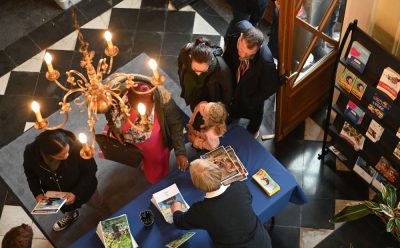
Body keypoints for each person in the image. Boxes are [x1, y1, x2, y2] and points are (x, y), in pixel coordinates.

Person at [172, 159, 272, 247]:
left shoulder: (200, 211)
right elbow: (249, 199)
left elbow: (180, 222)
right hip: (262, 241)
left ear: (197, 187)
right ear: (219, 172)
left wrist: (176, 209)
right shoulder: (239, 186)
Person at [105, 82, 189, 184]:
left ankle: (158, 181)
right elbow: (107, 110)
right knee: (135, 156)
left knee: (156, 167)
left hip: (155, 145)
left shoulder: (164, 101)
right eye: (134, 107)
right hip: (129, 141)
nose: (140, 113)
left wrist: (180, 152)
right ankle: (141, 160)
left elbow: (176, 125)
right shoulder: (118, 96)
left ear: (152, 99)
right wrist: (114, 127)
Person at [23, 129, 99, 231]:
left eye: (67, 151)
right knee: (68, 209)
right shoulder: (30, 153)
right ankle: (71, 215)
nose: (67, 156)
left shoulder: (78, 146)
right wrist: (37, 193)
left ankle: (104, 214)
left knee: (97, 203)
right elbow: (30, 173)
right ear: (48, 154)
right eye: (61, 156)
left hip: (85, 188)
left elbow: (91, 170)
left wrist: (76, 193)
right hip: (57, 195)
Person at [224, 20, 280, 138]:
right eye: (241, 49)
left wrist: (251, 101)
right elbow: (228, 55)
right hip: (235, 83)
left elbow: (269, 88)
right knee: (232, 105)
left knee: (254, 117)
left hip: (252, 92)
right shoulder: (238, 30)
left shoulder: (266, 63)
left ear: (258, 49)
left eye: (248, 54)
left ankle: (252, 133)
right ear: (240, 37)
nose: (242, 56)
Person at [178, 37, 233, 111]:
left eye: (203, 71)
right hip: (193, 92)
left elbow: (227, 93)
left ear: (210, 62)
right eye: (195, 69)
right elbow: (180, 68)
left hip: (209, 97)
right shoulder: (185, 53)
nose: (198, 73)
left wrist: (218, 109)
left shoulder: (221, 69)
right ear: (190, 57)